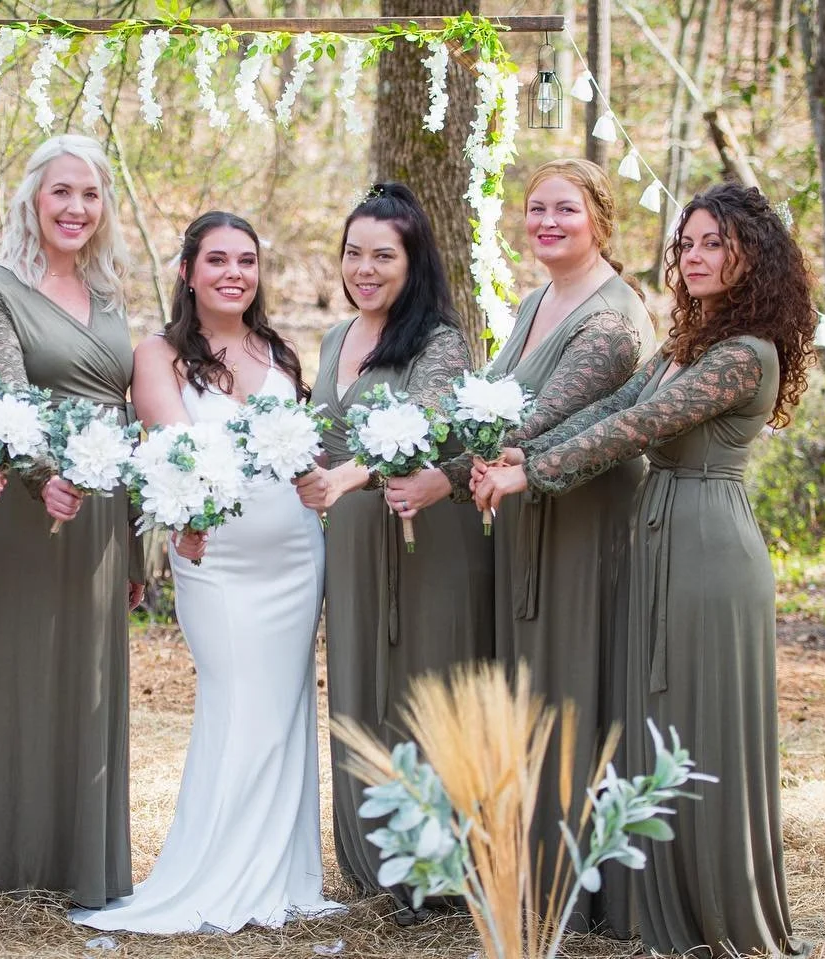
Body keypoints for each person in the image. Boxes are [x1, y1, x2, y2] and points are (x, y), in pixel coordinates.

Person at [473, 183, 813, 958]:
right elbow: (617, 401)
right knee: (653, 712)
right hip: (656, 531)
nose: (694, 257)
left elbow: (639, 425)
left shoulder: (743, 355)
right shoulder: (685, 341)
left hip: (707, 546)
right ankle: (648, 902)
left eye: (714, 245)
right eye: (687, 243)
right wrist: (526, 449)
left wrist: (536, 474)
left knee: (697, 719)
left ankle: (709, 911)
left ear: (751, 258)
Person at [72, 212, 342, 933]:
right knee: (237, 700)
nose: (233, 272)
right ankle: (217, 872)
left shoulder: (280, 353)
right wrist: (192, 509)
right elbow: (172, 446)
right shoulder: (159, 354)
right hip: (215, 556)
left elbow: (302, 453)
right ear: (188, 271)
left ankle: (281, 875)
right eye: (216, 259)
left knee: (284, 709)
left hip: (293, 550)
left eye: (246, 260)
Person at [0, 134, 141, 907]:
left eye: (89, 195)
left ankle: (81, 862)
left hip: (104, 507)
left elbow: (127, 405)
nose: (76, 209)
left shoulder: (111, 291)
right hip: (27, 507)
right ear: (32, 199)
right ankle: (2, 865)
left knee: (86, 678)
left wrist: (139, 537)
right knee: (18, 671)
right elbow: (5, 398)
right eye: (62, 193)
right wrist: (43, 478)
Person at [294, 182, 492, 916]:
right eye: (354, 252)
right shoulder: (334, 338)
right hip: (350, 543)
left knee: (419, 688)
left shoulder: (439, 341)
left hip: (422, 537)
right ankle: (372, 863)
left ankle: (437, 871)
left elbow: (430, 423)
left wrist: (351, 474)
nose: (365, 268)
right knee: (361, 687)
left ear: (415, 263)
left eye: (384, 255)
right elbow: (316, 438)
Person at [484, 158, 655, 934]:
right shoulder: (532, 304)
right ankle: (535, 871)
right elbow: (486, 404)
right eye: (535, 208)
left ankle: (584, 888)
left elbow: (549, 414)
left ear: (601, 220)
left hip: (588, 521)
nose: (547, 222)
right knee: (535, 687)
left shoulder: (614, 318)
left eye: (566, 210)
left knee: (574, 682)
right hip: (525, 511)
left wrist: (462, 455)